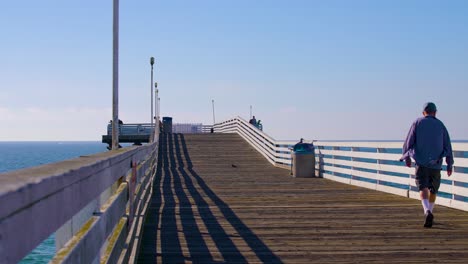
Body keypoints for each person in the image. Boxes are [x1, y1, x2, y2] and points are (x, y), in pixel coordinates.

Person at [400, 102, 453, 228]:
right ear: (435, 112)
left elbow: (408, 142)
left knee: (422, 187)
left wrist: (406, 157)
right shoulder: (441, 125)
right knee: (433, 189)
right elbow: (448, 146)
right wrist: (449, 164)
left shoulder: (417, 123)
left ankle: (426, 211)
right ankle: (430, 211)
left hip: (421, 163)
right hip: (436, 164)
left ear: (424, 112)